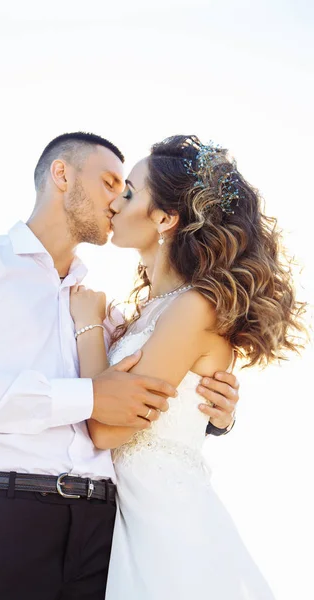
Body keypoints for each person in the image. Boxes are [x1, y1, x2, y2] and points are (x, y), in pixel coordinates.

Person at [0, 132, 239, 600]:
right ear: (62, 175)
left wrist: (215, 417)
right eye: (110, 183)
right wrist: (87, 397)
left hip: (102, 534)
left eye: (127, 189)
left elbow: (157, 387)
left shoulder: (104, 311)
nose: (117, 199)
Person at [69, 135, 306, 599]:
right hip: (126, 526)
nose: (115, 201)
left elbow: (104, 429)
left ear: (165, 218)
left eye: (130, 192)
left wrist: (87, 328)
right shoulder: (152, 311)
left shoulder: (194, 308)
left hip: (168, 532)